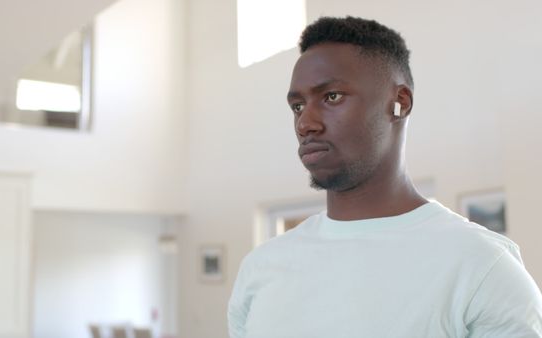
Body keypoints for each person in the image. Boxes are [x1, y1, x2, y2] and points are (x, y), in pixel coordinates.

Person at [228, 16, 542, 338]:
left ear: (399, 103)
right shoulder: (261, 267)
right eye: (297, 106)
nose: (305, 123)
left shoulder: (481, 267)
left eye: (331, 97)